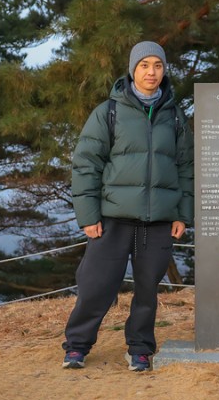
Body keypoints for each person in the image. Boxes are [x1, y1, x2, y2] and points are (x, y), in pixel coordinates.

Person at [61, 41, 194, 372]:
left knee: (147, 291)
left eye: (158, 66)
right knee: (96, 285)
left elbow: (186, 168)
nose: (151, 72)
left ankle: (140, 348)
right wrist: (88, 216)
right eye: (144, 65)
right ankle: (77, 345)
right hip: (113, 218)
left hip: (159, 220)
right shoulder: (109, 112)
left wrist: (183, 214)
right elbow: (86, 165)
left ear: (164, 71)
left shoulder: (175, 116)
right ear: (133, 70)